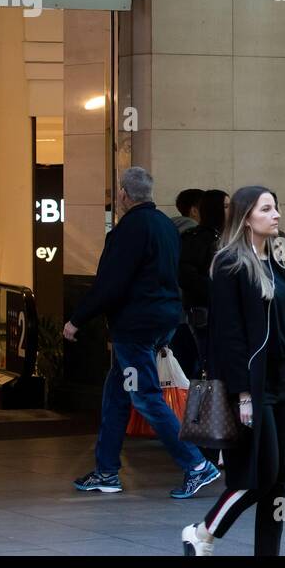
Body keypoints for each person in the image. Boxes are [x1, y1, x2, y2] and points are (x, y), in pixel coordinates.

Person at [182, 186, 285, 557]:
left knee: (280, 481)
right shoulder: (229, 264)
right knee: (258, 476)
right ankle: (203, 532)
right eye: (266, 209)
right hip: (255, 386)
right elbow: (229, 336)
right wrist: (243, 394)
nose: (276, 214)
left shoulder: (279, 263)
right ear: (245, 217)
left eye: (276, 207)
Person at [65, 166, 221, 499]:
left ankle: (196, 465)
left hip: (135, 326)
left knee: (145, 396)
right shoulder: (166, 226)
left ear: (123, 194)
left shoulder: (128, 230)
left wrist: (77, 319)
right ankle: (106, 470)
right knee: (117, 394)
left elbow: (111, 282)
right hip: (163, 320)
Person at [175, 188, 228, 378]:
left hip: (216, 314)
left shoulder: (221, 238)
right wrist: (217, 290)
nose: (230, 211)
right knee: (205, 369)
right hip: (202, 315)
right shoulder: (199, 238)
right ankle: (206, 406)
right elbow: (185, 274)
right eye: (225, 206)